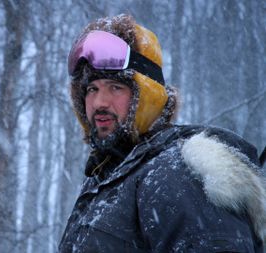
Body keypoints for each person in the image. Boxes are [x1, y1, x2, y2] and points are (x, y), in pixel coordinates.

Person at [58, 14, 266, 252]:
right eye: (91, 89)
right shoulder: (105, 179)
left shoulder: (175, 173)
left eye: (115, 87)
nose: (99, 102)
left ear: (146, 96)